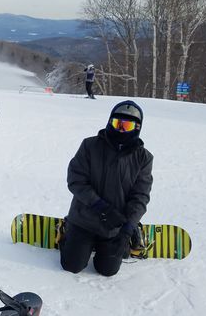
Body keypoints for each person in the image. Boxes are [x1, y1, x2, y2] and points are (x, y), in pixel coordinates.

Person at [60, 100, 153, 277]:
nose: (120, 130)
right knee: (71, 265)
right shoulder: (90, 145)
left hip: (115, 225)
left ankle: (133, 231)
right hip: (84, 219)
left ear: (137, 127)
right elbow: (75, 180)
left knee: (107, 270)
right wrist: (101, 208)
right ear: (110, 121)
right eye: (117, 124)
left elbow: (140, 196)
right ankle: (68, 229)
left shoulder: (143, 158)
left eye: (127, 125)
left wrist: (127, 229)